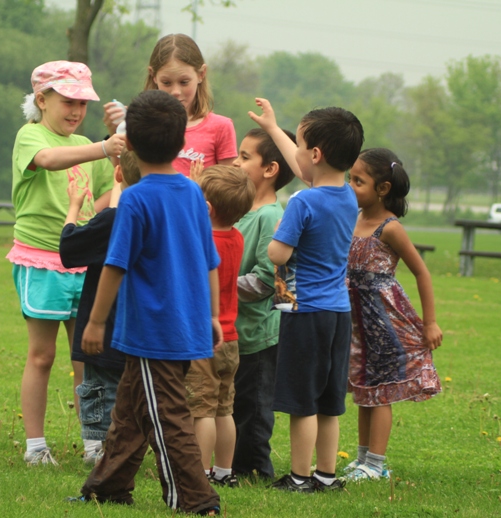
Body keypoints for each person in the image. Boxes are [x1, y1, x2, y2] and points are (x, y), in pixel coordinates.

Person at [75, 90, 222, 516]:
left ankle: (197, 501)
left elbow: (115, 265)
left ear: (131, 145)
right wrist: (213, 315)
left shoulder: (137, 197)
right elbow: (210, 261)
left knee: (169, 418)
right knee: (129, 412)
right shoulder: (193, 193)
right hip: (188, 324)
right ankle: (107, 488)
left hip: (153, 332)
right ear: (181, 144)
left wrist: (97, 322)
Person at [8, 60, 125, 466]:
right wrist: (104, 147)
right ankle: (35, 446)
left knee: (88, 358)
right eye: (68, 101)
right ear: (42, 100)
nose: (76, 111)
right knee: (42, 356)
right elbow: (49, 160)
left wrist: (119, 146)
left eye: (83, 103)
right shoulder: (31, 136)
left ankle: (94, 442)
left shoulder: (92, 145)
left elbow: (109, 195)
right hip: (41, 260)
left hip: (85, 263)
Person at [253, 98, 364, 493]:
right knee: (329, 402)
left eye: (298, 146)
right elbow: (308, 173)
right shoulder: (347, 195)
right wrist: (274, 128)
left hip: (305, 313)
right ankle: (325, 475)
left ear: (314, 154)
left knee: (301, 403)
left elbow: (277, 254)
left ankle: (299, 477)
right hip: (337, 313)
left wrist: (283, 232)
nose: (295, 155)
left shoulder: (302, 202)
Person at [343, 148, 443, 481]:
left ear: (382, 188)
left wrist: (430, 323)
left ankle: (376, 464)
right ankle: (362, 461)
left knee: (380, 391)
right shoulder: (352, 218)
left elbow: (422, 272)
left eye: (359, 181)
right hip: (358, 325)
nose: (351, 186)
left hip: (385, 322)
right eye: (350, 179)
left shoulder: (390, 228)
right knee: (364, 392)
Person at [59, 151, 141, 465]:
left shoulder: (111, 220)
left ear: (118, 176)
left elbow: (69, 249)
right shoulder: (158, 215)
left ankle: (97, 450)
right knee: (132, 390)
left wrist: (74, 207)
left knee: (97, 387)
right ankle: (128, 447)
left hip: (104, 326)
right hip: (141, 327)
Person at [230, 128, 296, 481]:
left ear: (270, 169)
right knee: (230, 403)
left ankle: (254, 469)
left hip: (257, 335)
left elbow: (266, 281)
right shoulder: (240, 210)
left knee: (253, 407)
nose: (235, 162)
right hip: (232, 331)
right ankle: (229, 463)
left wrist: (217, 287)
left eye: (244, 157)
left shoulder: (270, 216)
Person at [185, 165, 255, 488]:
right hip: (230, 340)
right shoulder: (237, 238)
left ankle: (197, 474)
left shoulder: (202, 242)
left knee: (201, 410)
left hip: (203, 340)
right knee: (224, 409)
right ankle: (224, 472)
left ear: (207, 208)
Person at [103, 33, 236, 176]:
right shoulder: (141, 124)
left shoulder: (221, 128)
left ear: (201, 74)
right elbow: (123, 178)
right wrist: (116, 133)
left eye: (184, 82)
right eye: (166, 83)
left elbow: (228, 191)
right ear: (153, 76)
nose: (175, 92)